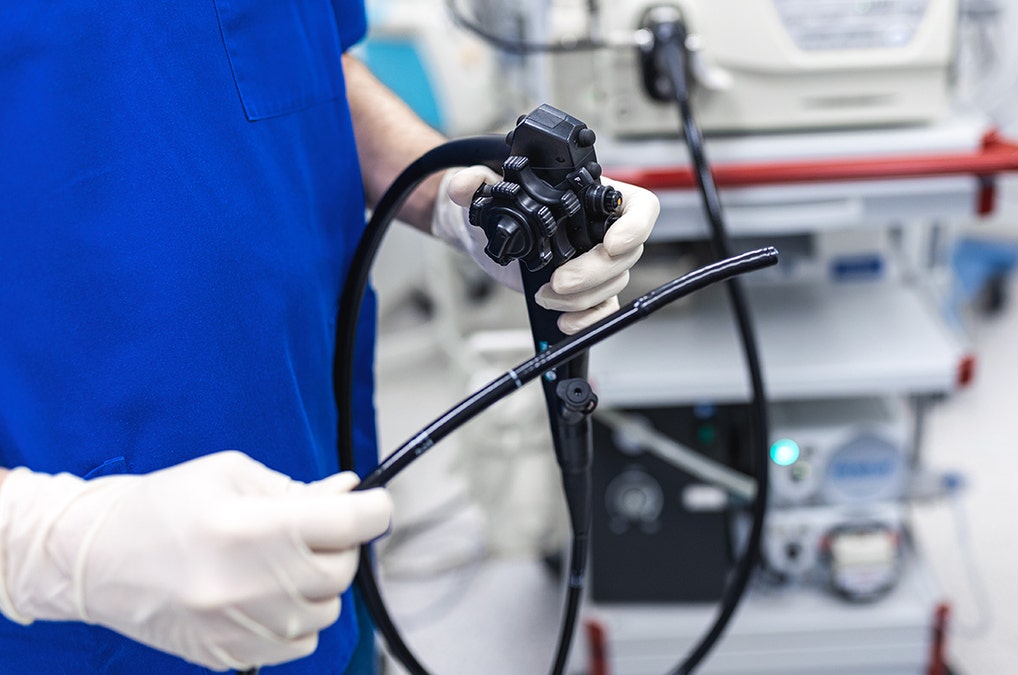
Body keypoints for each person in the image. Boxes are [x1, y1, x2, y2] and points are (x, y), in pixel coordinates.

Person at [0, 1, 657, 674]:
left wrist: (454, 200)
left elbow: (306, 65)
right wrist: (50, 544)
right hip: (82, 615)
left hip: (323, 513)